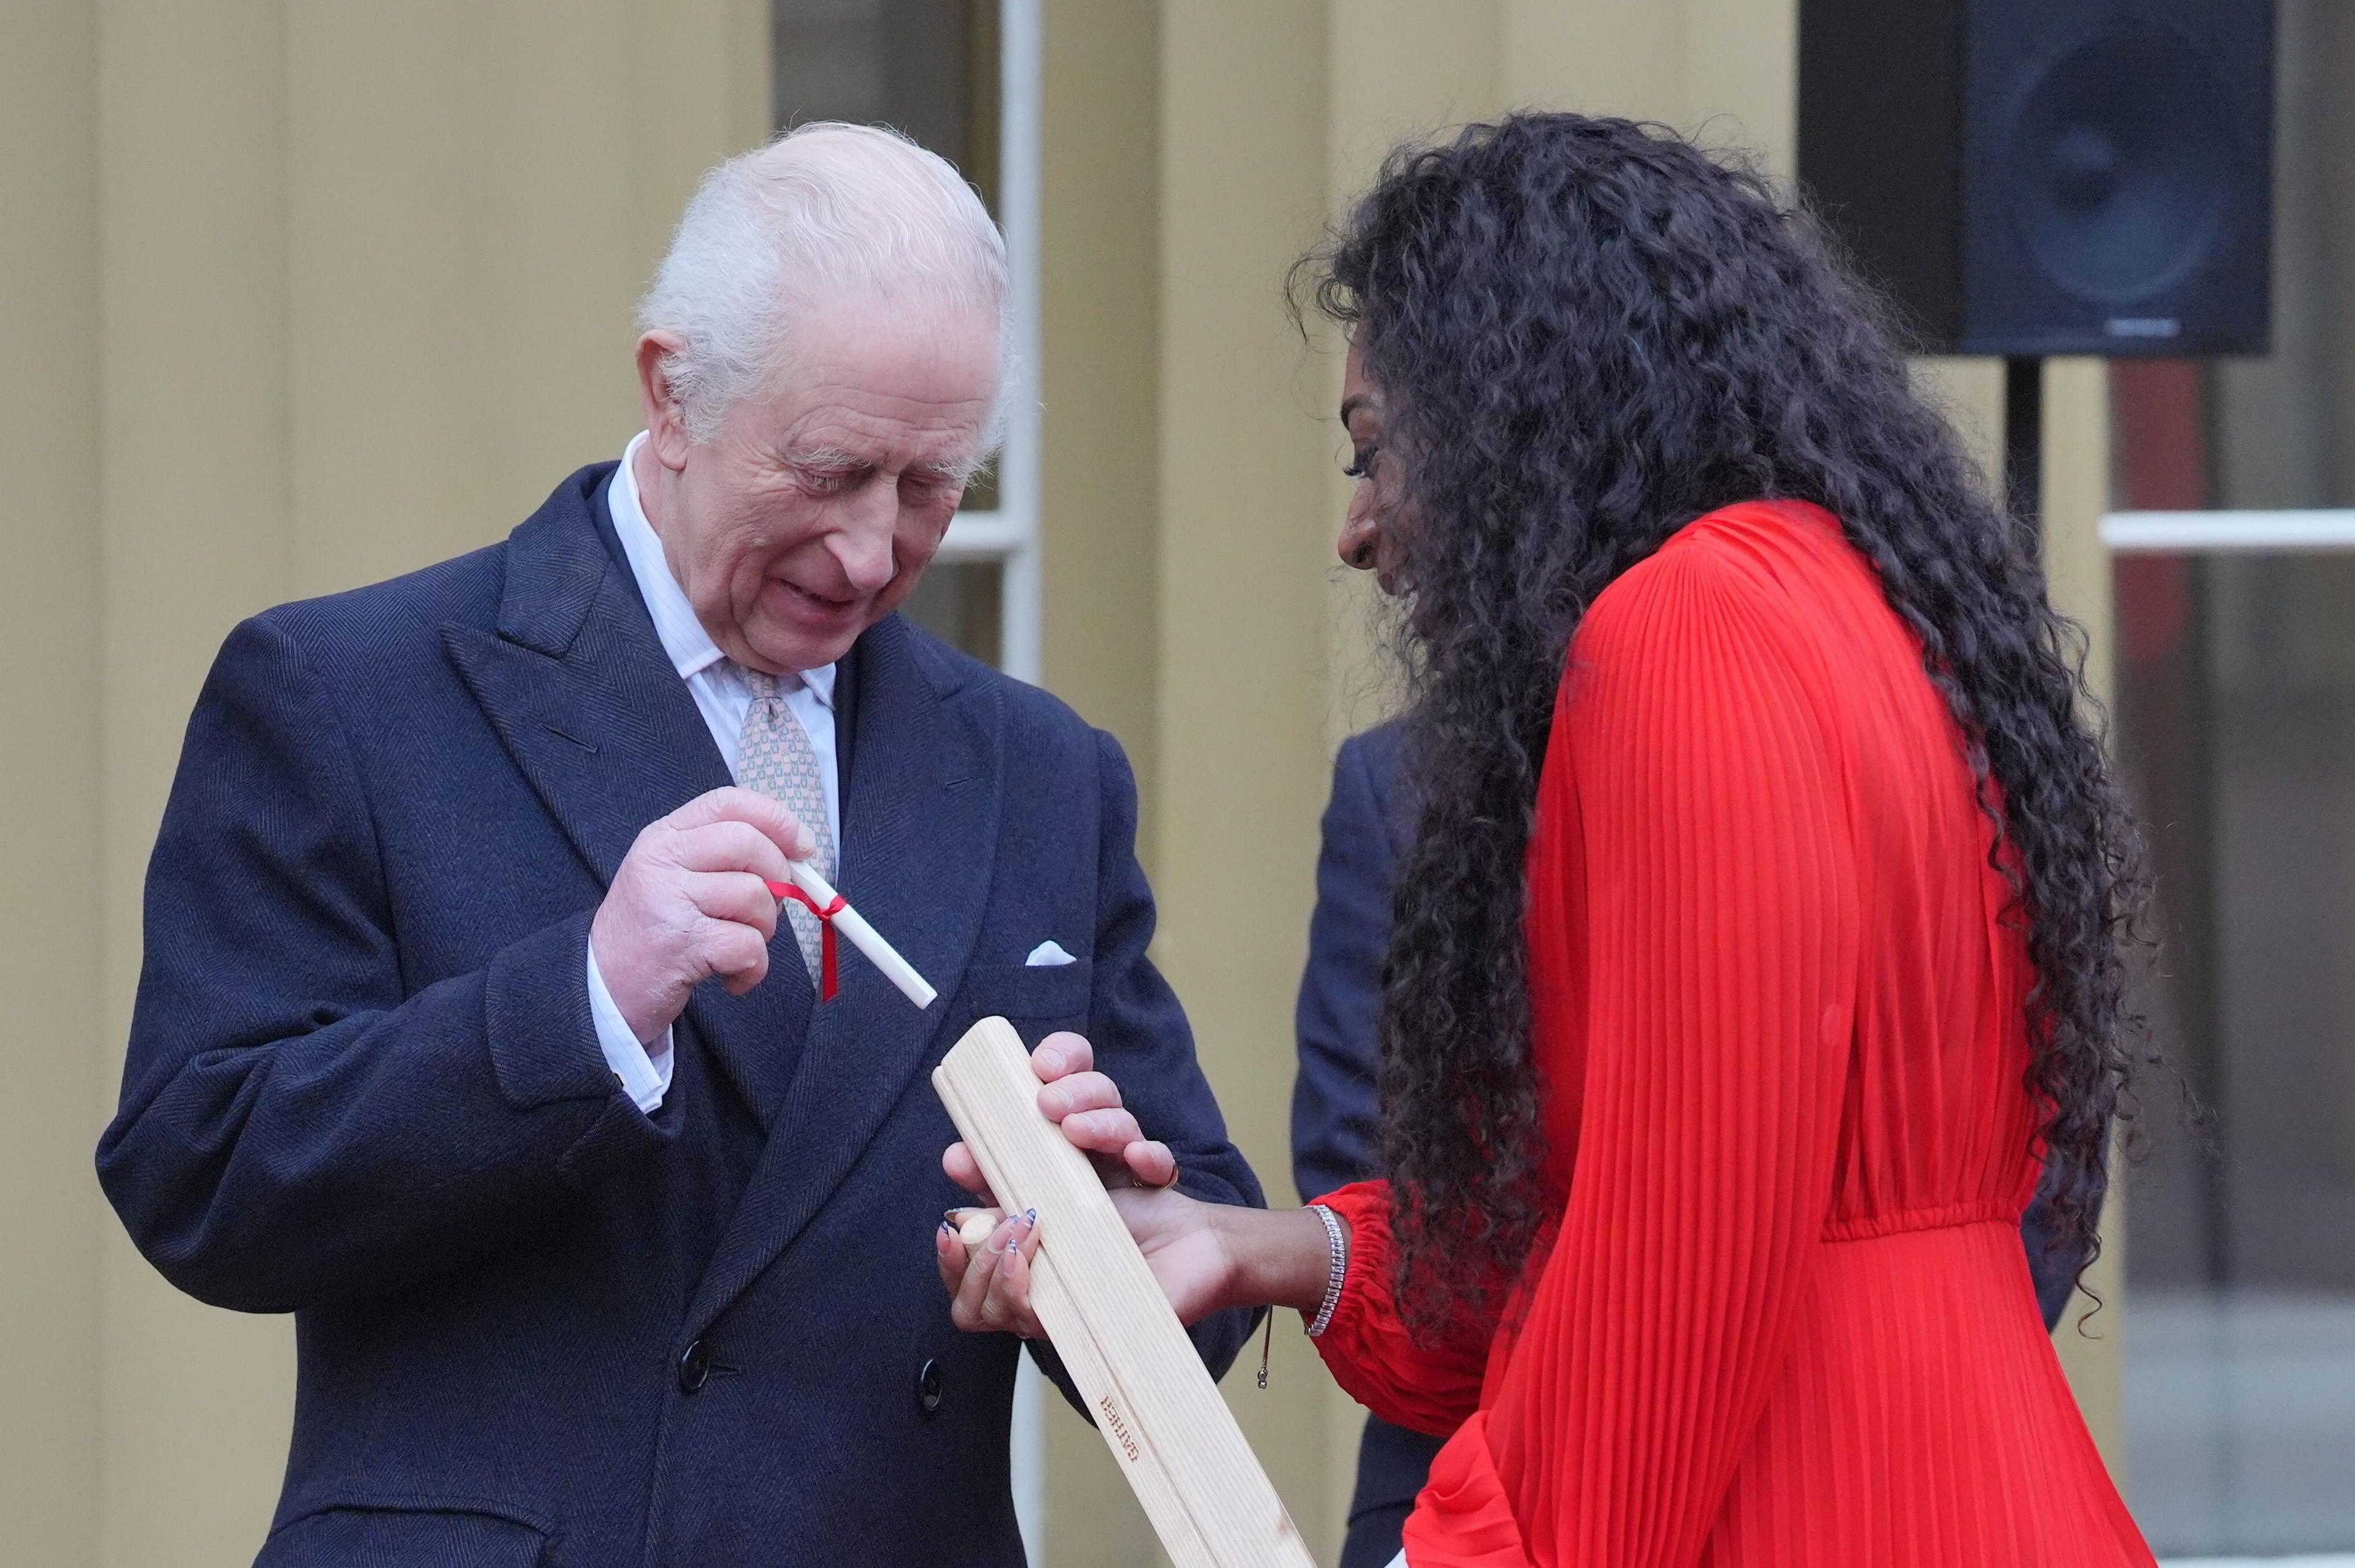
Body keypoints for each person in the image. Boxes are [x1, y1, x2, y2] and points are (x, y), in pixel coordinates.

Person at [944, 113, 2154, 1566]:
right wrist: (1257, 1249)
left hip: (1802, 1504)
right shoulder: (1876, 608)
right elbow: (1598, 1241)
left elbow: (1680, 1273)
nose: (1360, 531)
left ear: (1515, 413)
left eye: (1372, 455)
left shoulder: (1685, 632)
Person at [96, 123, 1260, 1568]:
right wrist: (581, 1003)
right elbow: (198, 1174)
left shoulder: (1037, 771)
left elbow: (1204, 1284)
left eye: (929, 485)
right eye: (829, 471)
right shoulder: (349, 692)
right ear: (674, 394)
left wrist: (1099, 1237)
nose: (866, 551)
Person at [1293, 722, 2110, 1568]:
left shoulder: (1923, 754)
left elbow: (2031, 1207)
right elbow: (1371, 1178)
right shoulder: (1407, 778)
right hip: (1468, 1457)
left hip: (1859, 1462)